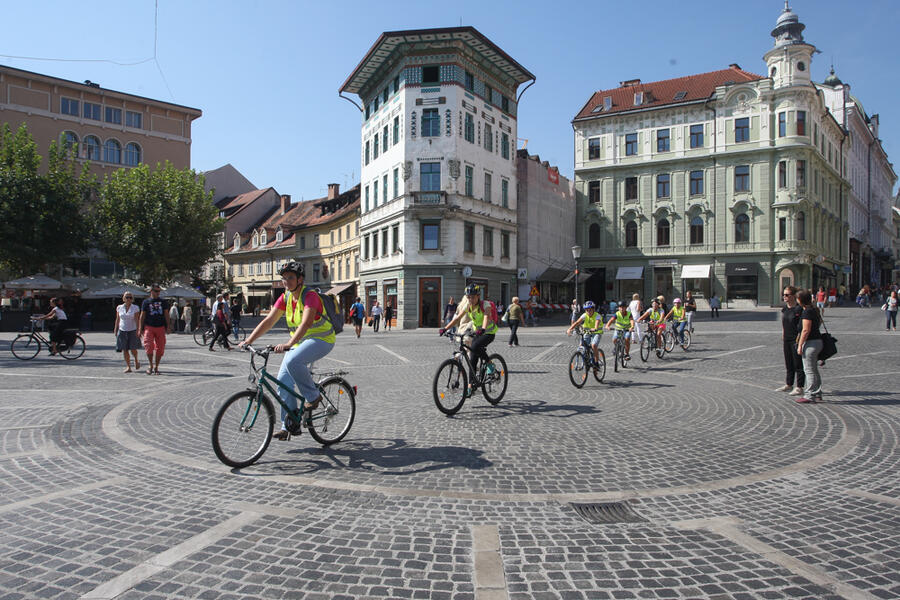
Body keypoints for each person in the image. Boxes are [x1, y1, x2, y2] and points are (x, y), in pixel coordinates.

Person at [240, 261, 336, 440]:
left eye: (290, 278)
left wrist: (289, 343)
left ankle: (313, 397)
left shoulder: (310, 295)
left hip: (322, 339)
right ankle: (289, 424)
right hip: (300, 343)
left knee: (293, 361)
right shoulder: (285, 298)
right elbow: (269, 321)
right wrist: (249, 340)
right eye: (284, 278)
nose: (286, 281)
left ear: (300, 279)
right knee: (282, 381)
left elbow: (307, 322)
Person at [440, 284, 498, 393]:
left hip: (488, 332)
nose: (471, 299)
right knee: (472, 359)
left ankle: (490, 365)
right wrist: (445, 328)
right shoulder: (468, 306)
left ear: (478, 296)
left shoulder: (485, 305)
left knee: (475, 346)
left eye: (473, 297)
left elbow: (486, 316)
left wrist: (483, 328)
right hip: (477, 333)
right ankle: (471, 386)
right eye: (469, 297)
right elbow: (457, 318)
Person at [795, 289, 823, 403]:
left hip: (811, 343)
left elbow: (806, 330)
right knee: (814, 370)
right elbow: (820, 322)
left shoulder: (807, 312)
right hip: (818, 341)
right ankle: (817, 393)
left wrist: (800, 345)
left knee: (809, 370)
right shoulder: (814, 310)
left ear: (800, 300)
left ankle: (809, 395)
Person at [777, 286, 805, 396]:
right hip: (787, 339)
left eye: (787, 295)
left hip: (796, 339)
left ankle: (799, 387)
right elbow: (784, 323)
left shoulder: (798, 309)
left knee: (798, 364)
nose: (784, 297)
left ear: (793, 296)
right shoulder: (784, 309)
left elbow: (802, 326)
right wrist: (783, 333)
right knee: (788, 363)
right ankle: (789, 384)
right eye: (783, 294)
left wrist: (800, 341)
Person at [138, 285, 171, 374]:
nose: (158, 293)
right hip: (149, 326)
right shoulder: (146, 302)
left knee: (160, 348)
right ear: (151, 291)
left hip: (160, 327)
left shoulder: (163, 302)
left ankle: (156, 366)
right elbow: (142, 315)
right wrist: (140, 328)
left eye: (159, 291)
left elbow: (166, 314)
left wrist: (168, 326)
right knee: (148, 346)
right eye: (156, 291)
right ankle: (150, 365)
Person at [566, 300, 603, 372]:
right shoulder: (584, 315)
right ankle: (584, 360)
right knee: (581, 346)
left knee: (593, 345)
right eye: (586, 310)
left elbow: (597, 323)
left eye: (590, 310)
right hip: (587, 333)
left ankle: (596, 363)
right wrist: (570, 329)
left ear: (593, 309)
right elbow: (577, 322)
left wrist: (595, 328)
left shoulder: (597, 316)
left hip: (597, 333)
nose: (588, 311)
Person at [113, 292, 142, 372]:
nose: (128, 299)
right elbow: (117, 319)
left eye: (130, 297)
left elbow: (137, 319)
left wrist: (138, 329)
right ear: (124, 298)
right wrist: (116, 329)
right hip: (122, 330)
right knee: (125, 349)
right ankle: (128, 366)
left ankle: (136, 360)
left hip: (132, 330)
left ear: (132, 299)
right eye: (127, 297)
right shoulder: (119, 307)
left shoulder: (135, 308)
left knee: (133, 349)